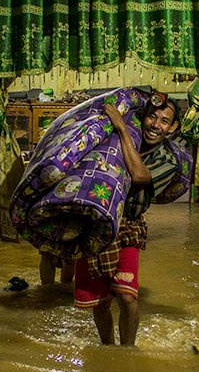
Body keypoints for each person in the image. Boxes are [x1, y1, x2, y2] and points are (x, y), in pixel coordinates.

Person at [73, 90, 182, 346]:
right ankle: (108, 349)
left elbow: (139, 175)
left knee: (127, 297)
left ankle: (128, 351)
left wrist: (121, 128)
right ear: (144, 117)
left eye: (164, 121)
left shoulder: (167, 161)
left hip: (128, 228)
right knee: (99, 300)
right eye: (152, 117)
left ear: (172, 127)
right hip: (95, 225)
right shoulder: (118, 138)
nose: (156, 125)